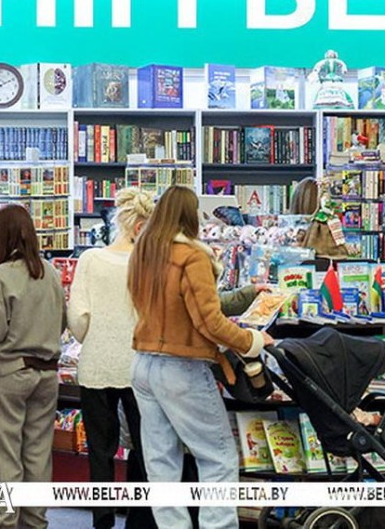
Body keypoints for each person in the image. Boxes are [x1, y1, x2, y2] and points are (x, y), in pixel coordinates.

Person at [128, 186, 274, 529]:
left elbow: (176, 306)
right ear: (190, 215)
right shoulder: (191, 257)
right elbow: (209, 321)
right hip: (182, 366)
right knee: (217, 457)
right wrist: (252, 340)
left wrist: (245, 295)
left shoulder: (145, 252)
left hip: (143, 363)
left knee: (161, 462)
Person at [0, 204, 66, 529]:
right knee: (38, 453)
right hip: (47, 373)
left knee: (2, 453)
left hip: (9, 372)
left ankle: (3, 522)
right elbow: (61, 321)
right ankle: (35, 521)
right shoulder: (51, 273)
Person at [68, 188, 158, 529]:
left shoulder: (91, 260)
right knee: (146, 447)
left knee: (100, 449)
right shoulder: (150, 264)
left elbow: (78, 316)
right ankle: (141, 519)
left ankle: (102, 519)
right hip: (140, 365)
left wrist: (94, 338)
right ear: (141, 226)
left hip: (97, 365)